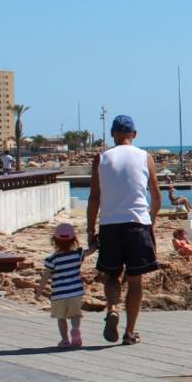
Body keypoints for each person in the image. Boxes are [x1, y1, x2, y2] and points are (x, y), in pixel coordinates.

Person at [86, 114, 160, 345]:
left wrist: (90, 229)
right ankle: (129, 332)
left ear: (112, 134)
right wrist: (150, 221)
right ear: (134, 134)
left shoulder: (101, 158)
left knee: (111, 275)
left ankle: (112, 309)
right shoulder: (145, 157)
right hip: (138, 223)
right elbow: (156, 196)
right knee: (135, 281)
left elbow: (94, 197)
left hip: (110, 225)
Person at [41, 223, 87, 348]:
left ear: (54, 240)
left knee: (61, 318)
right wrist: (95, 243)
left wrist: (39, 291)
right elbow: (90, 251)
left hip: (59, 293)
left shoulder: (52, 259)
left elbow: (45, 276)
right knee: (75, 314)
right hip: (76, 292)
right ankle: (75, 329)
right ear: (74, 240)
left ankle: (65, 340)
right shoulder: (78, 254)